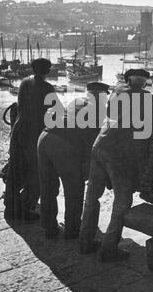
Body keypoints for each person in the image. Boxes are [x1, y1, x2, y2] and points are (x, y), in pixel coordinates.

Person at [79, 69, 153, 261]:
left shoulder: (116, 93)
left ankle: (85, 241)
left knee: (92, 196)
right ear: (142, 82)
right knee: (122, 201)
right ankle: (109, 249)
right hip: (121, 154)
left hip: (100, 145)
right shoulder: (148, 98)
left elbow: (110, 114)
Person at [37, 82, 110, 239]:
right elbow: (95, 143)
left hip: (44, 138)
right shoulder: (100, 109)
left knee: (48, 186)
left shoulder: (76, 101)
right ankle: (72, 230)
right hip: (63, 145)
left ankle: (49, 227)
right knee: (74, 190)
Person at [4, 58, 62, 222]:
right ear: (47, 71)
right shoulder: (47, 87)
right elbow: (57, 111)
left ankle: (10, 208)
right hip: (33, 135)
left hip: (18, 131)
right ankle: (25, 209)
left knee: (15, 171)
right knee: (35, 173)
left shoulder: (24, 82)